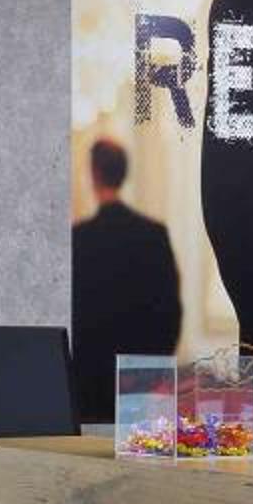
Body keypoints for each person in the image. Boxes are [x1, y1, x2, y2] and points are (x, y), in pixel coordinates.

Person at [70, 136, 184, 419]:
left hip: (91, 381)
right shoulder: (154, 235)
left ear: (94, 174)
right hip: (143, 382)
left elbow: (75, 314)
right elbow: (171, 313)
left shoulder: (80, 239)